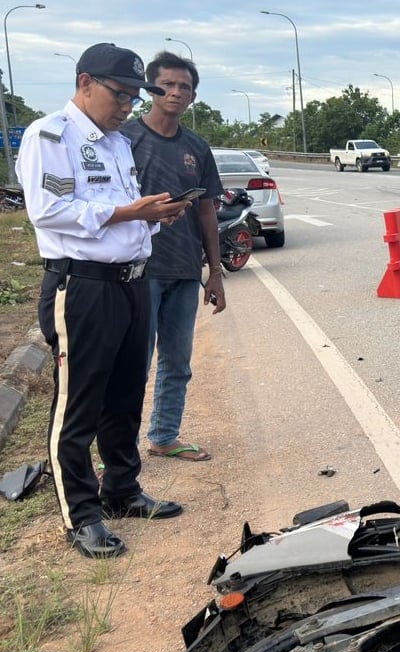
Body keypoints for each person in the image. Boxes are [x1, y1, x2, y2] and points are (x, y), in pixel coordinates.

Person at [16, 43, 187, 559]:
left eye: (135, 97)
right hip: (84, 287)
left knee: (126, 394)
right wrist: (131, 211)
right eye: (121, 94)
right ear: (86, 82)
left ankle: (122, 489)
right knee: (79, 402)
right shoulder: (50, 134)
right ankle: (81, 514)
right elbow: (49, 211)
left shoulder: (114, 142)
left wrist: (154, 215)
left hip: (132, 281)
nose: (128, 105)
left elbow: (119, 209)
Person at [121, 51, 225, 463]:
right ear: (151, 88)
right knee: (132, 364)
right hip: (136, 269)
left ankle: (164, 436)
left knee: (177, 361)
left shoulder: (196, 147)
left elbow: (206, 210)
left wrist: (214, 272)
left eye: (184, 86)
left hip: (184, 269)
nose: (176, 92)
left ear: (193, 96)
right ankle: (119, 451)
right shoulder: (124, 139)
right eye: (167, 84)